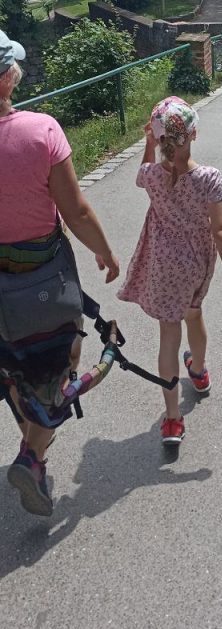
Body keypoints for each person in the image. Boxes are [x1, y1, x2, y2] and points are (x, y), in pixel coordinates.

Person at [0, 29, 120, 516]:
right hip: (43, 285)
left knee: (13, 370)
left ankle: (33, 450)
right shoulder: (41, 131)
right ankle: (33, 456)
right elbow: (76, 211)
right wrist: (105, 253)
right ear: (8, 78)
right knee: (58, 365)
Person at [117, 96, 222, 446]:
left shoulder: (152, 176)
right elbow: (220, 230)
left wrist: (148, 145)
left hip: (162, 265)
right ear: (193, 134)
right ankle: (198, 371)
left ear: (160, 139)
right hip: (195, 266)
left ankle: (173, 419)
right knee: (193, 314)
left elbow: (141, 174)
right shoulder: (208, 178)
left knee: (168, 336)